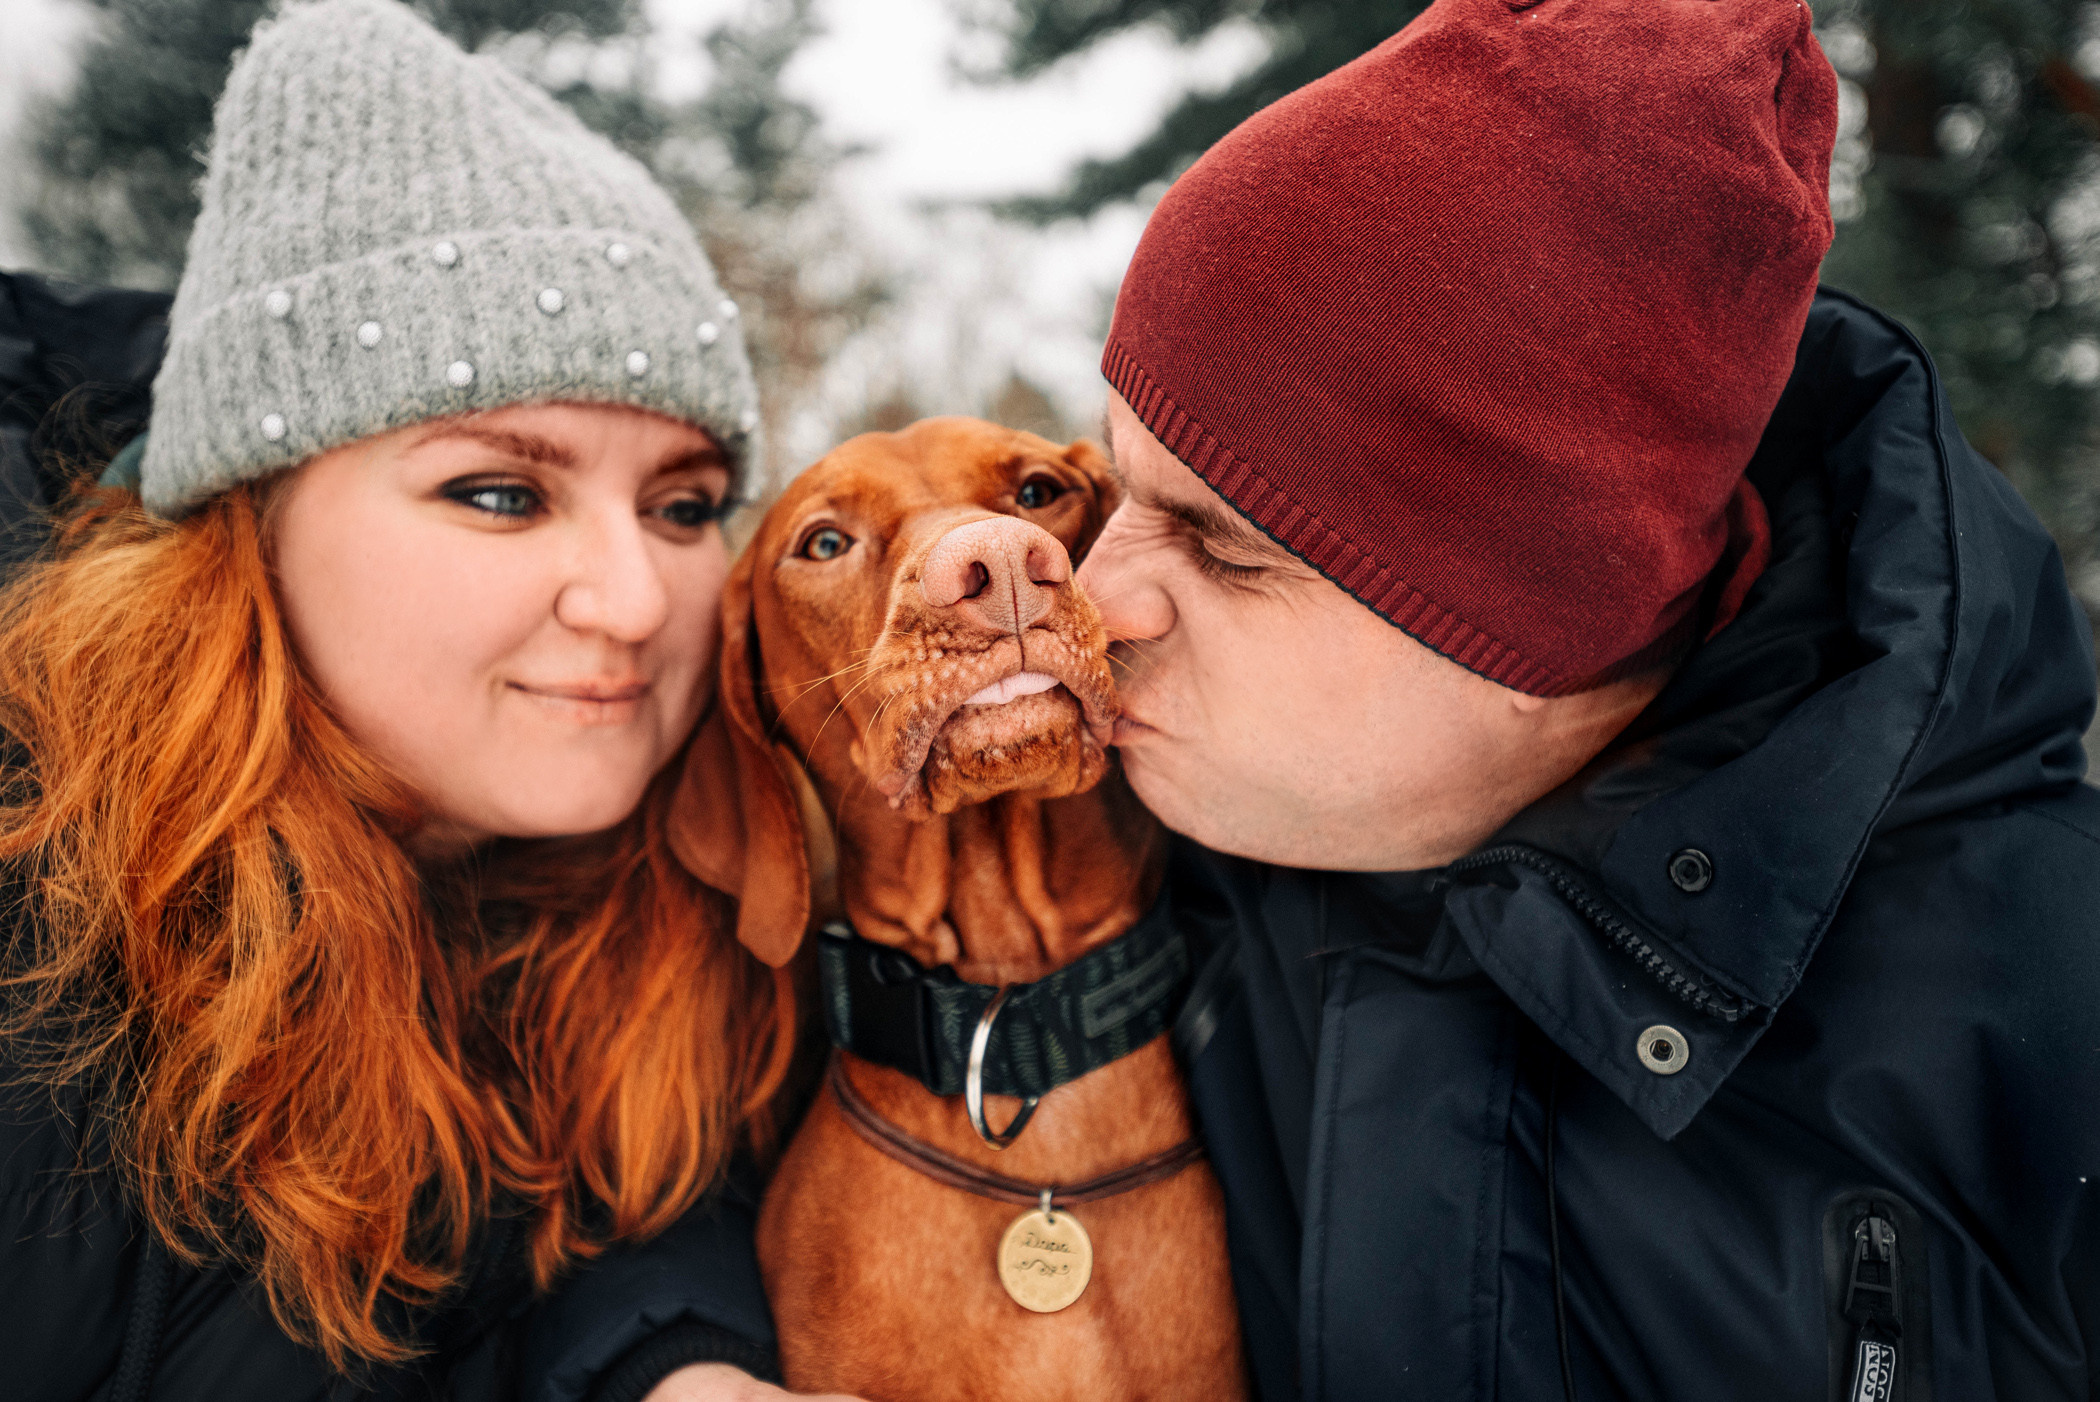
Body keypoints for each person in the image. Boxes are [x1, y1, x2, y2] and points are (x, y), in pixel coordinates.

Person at [1064, 0, 2100, 1398]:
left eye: (1222, 545)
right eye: (1116, 486)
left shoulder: (2046, 1014)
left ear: (1538, 622)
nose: (1092, 595)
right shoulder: (1107, 866)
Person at [0, 3, 805, 1397]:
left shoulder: (664, 906)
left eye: (684, 504)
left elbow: (603, 1238)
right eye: (501, 492)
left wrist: (676, 1364)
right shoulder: (41, 922)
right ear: (246, 517)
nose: (632, 598)